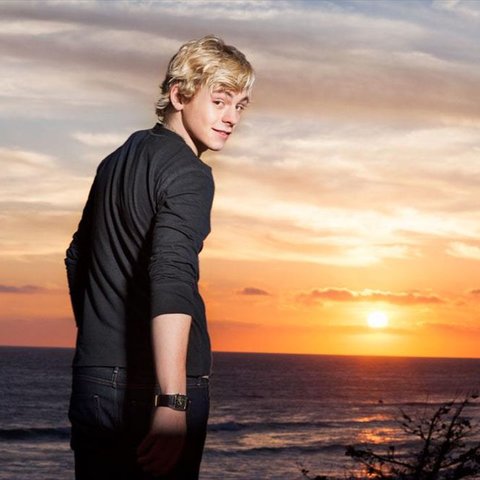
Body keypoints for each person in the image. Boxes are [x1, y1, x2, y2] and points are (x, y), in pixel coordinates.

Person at [65, 35, 254, 479]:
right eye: (219, 101)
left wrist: (103, 334)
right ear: (179, 95)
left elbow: (76, 257)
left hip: (94, 381)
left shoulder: (116, 159)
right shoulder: (190, 173)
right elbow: (172, 275)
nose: (231, 118)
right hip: (157, 385)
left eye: (240, 105)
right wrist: (171, 400)